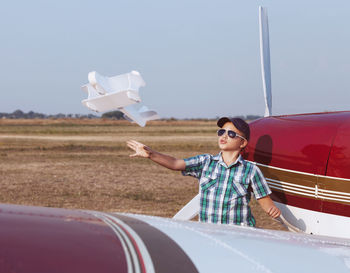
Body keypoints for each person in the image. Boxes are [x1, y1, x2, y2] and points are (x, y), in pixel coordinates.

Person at [126, 117, 281, 227]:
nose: (224, 136)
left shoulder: (251, 170)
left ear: (243, 143)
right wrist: (151, 154)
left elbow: (265, 202)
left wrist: (272, 211)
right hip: (210, 233)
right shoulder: (205, 162)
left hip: (239, 234)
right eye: (222, 132)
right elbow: (175, 163)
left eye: (231, 134)